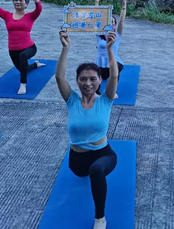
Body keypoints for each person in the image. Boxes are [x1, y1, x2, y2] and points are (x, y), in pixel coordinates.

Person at [55, 29, 119, 229]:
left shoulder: (106, 100)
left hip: (103, 154)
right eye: (83, 79)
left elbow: (114, 75)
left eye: (93, 79)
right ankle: (91, 175)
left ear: (100, 81)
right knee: (87, 171)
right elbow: (59, 77)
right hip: (77, 161)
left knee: (96, 170)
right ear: (77, 82)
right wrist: (65, 48)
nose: (88, 83)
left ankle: (100, 218)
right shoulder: (72, 100)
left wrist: (110, 49)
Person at [0, 0, 45, 95]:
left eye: (21, 0)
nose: (18, 2)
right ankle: (35, 65)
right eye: (16, 0)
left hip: (29, 47)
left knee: (23, 56)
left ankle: (23, 84)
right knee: (22, 69)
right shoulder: (7, 16)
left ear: (26, 4)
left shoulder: (30, 16)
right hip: (13, 50)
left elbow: (39, 8)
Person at [94, 0, 126, 97]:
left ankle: (113, 91)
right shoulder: (100, 34)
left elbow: (122, 20)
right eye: (108, 22)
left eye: (113, 22)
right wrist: (97, 2)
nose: (111, 24)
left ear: (115, 25)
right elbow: (96, 17)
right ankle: (96, 90)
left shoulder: (117, 34)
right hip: (100, 63)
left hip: (114, 62)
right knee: (97, 75)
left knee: (115, 71)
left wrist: (124, 5)